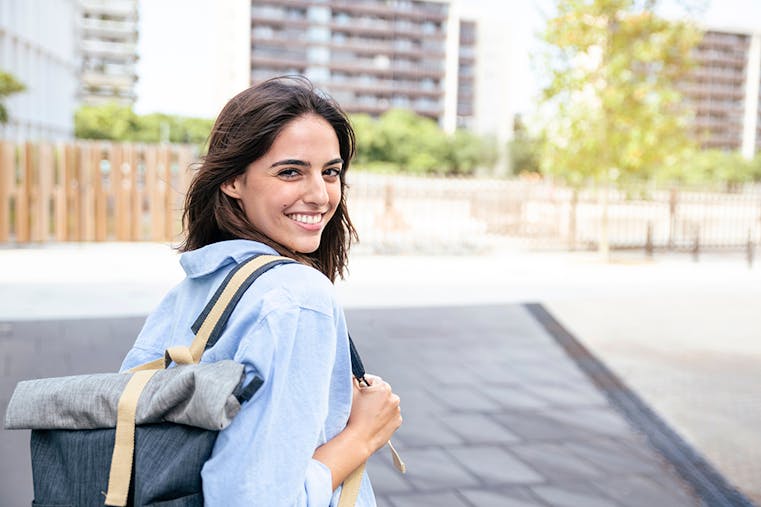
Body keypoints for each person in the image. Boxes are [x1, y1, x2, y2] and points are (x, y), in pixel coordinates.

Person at [120, 76, 402, 506]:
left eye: (331, 172)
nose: (320, 195)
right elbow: (253, 497)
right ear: (232, 180)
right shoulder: (297, 297)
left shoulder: (194, 288)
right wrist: (362, 436)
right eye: (290, 171)